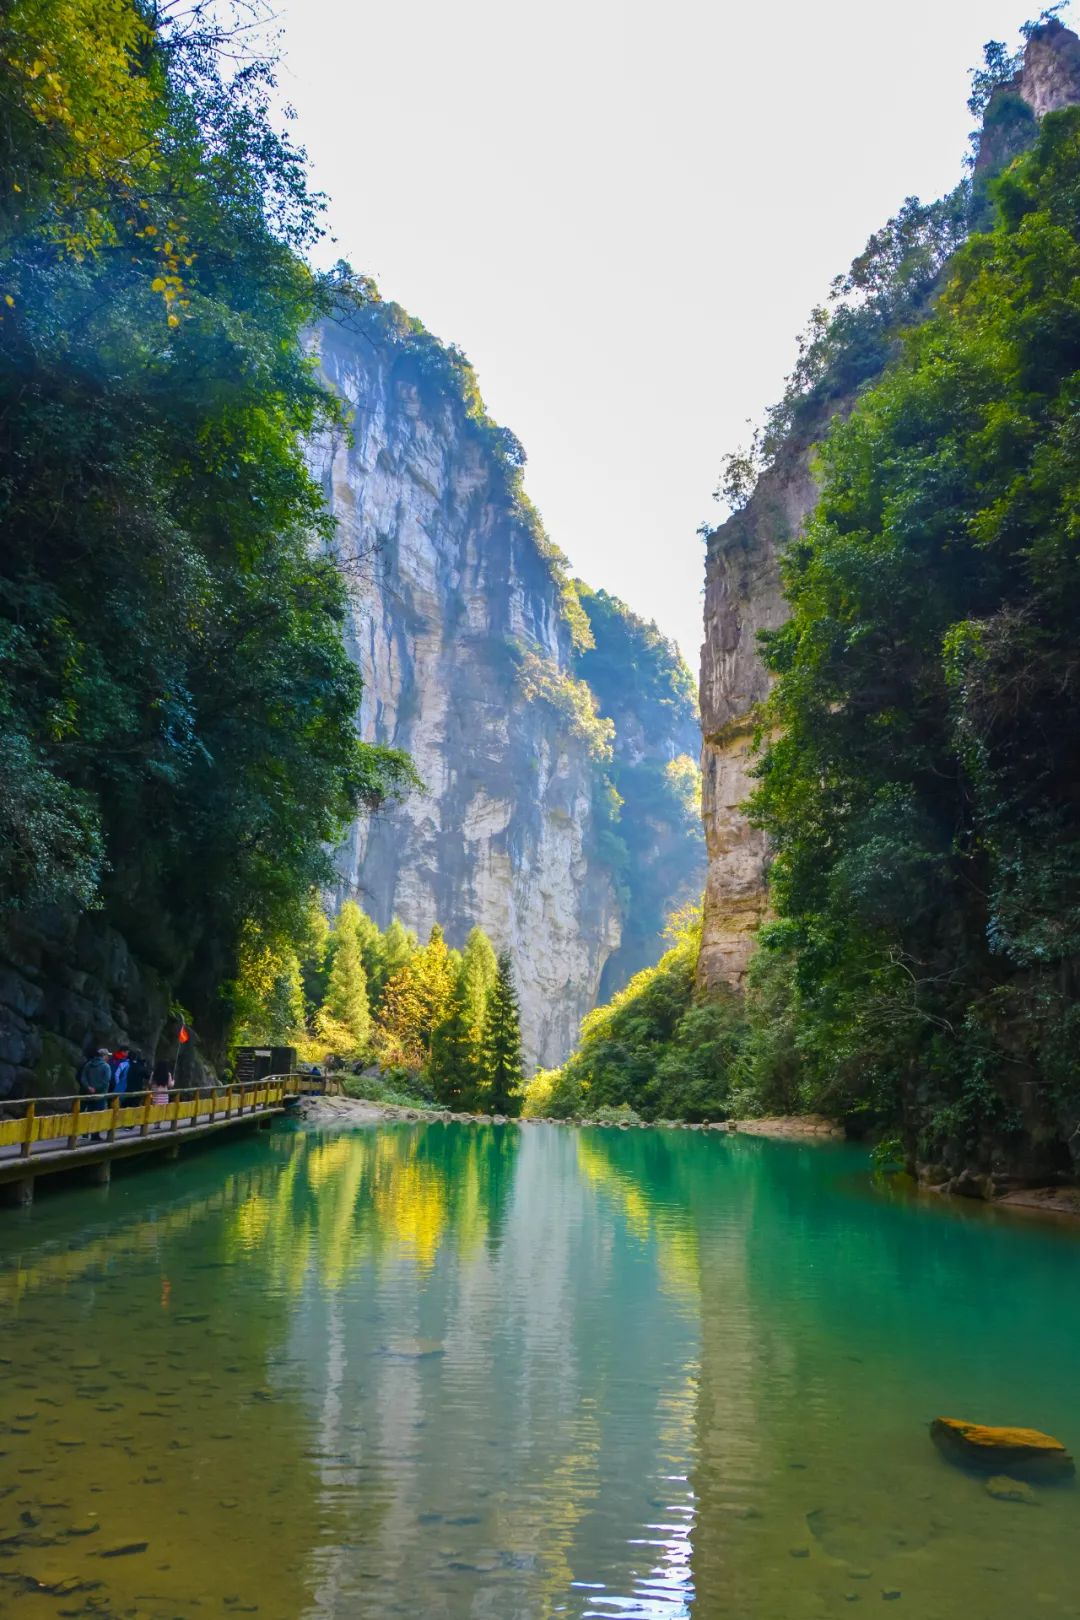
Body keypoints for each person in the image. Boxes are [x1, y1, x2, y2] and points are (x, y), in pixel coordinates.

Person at [79, 1047, 112, 1141]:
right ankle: (95, 1135)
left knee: (89, 1113)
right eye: (107, 1055)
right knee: (98, 1115)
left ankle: (85, 1132)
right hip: (101, 1095)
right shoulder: (106, 1066)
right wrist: (97, 1088)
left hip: (88, 1094)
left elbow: (83, 1077)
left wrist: (88, 1087)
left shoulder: (89, 1064)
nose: (108, 1058)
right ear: (104, 1056)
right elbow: (106, 1081)